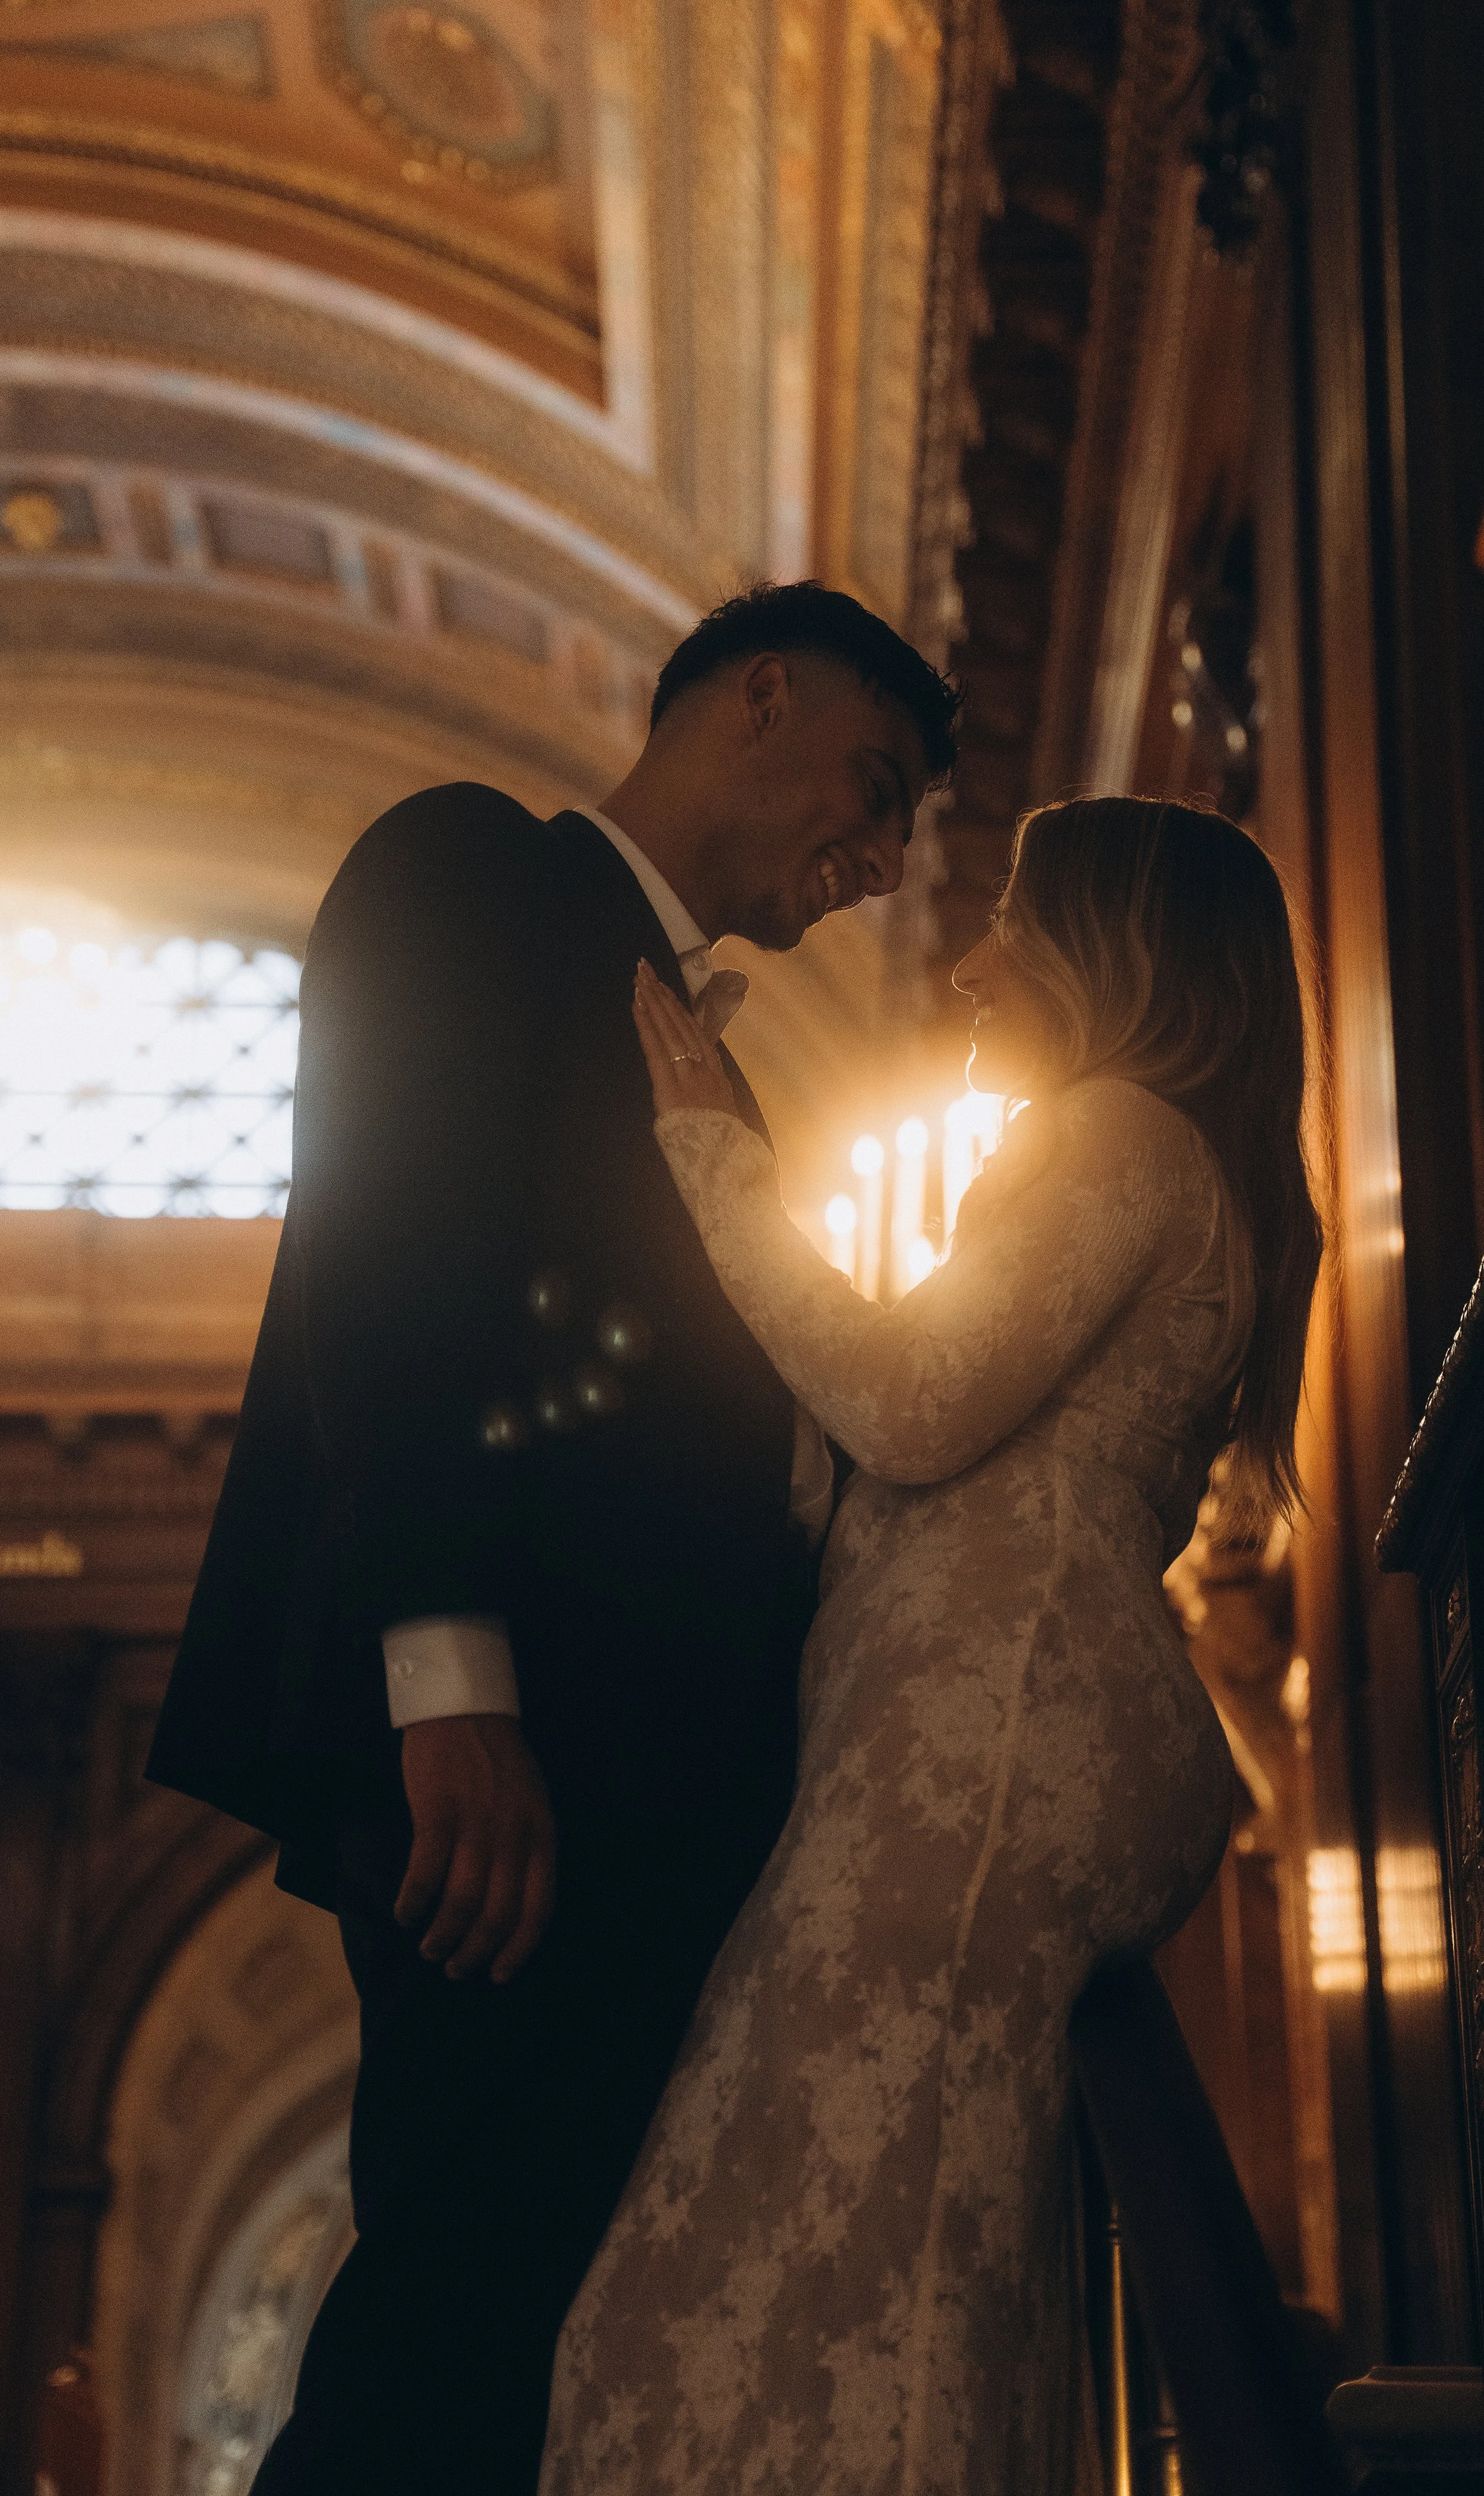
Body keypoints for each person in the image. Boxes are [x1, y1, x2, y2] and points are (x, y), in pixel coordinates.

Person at [144, 582, 960, 2493]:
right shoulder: (472, 877)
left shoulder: (704, 1039)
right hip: (523, 1762)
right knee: (462, 2302)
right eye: (875, 783)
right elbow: (399, 1261)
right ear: (755, 696)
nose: (882, 855)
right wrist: (456, 1692)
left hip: (650, 1776)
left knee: (548, 2320)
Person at [539, 795, 1325, 2496]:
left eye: (1014, 926)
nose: (971, 967)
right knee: (916, 2254)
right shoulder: (1171, 1158)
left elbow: (903, 1406)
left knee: (765, 2279)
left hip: (983, 1735)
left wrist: (710, 1155)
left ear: (1105, 949)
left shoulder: (1115, 1135)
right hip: (989, 1722)